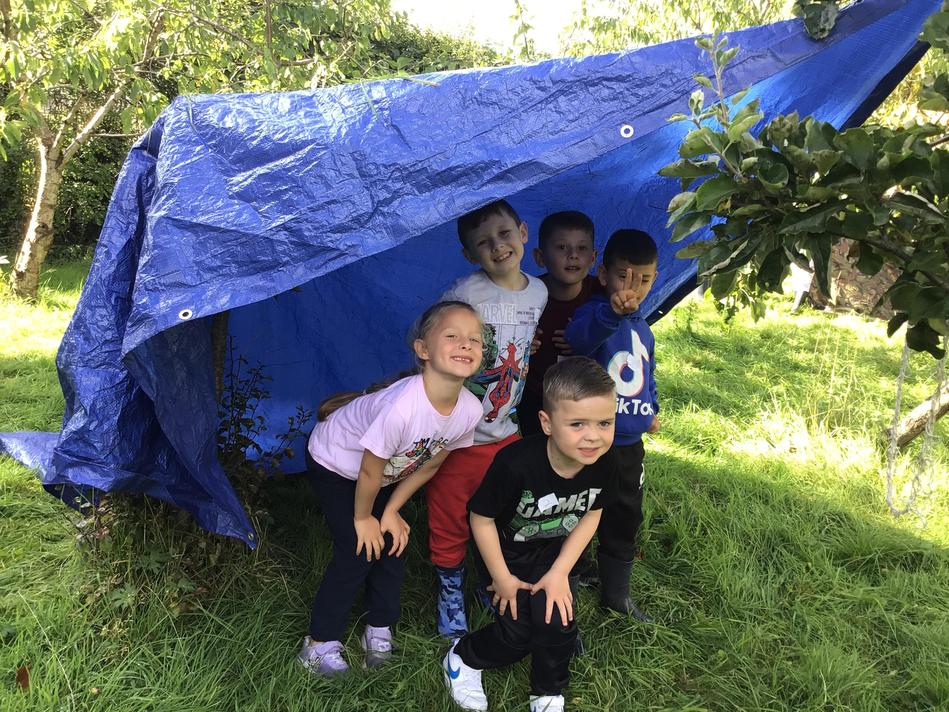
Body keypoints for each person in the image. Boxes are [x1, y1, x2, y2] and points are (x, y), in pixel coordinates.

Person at [298, 301, 484, 676]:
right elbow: (368, 472)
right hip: (336, 463)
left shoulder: (469, 410)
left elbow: (430, 464)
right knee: (357, 550)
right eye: (452, 336)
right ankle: (318, 645)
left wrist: (391, 511)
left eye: (475, 339)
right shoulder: (402, 407)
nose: (466, 344)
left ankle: (378, 629)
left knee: (392, 544)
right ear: (423, 349)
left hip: (383, 474)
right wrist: (363, 517)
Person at [443, 357, 618, 712]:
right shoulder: (515, 464)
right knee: (517, 635)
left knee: (558, 622)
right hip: (506, 552)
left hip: (554, 553)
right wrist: (501, 578)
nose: (594, 436)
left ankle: (548, 691)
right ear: (547, 422)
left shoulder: (605, 462)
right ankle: (463, 658)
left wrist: (560, 572)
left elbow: (592, 512)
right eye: (577, 424)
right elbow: (481, 519)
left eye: (605, 422)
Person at [426, 199, 548, 638]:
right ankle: (449, 590)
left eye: (504, 234)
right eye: (483, 242)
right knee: (449, 515)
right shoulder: (465, 292)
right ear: (469, 253)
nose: (498, 246)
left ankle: (493, 579)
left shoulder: (539, 292)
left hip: (506, 432)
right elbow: (428, 338)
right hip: (460, 436)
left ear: (523, 232)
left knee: (502, 512)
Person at [564, 229, 660, 621]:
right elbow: (579, 340)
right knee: (576, 513)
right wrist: (611, 314)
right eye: (623, 276)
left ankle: (616, 595)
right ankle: (565, 596)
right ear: (603, 275)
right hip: (589, 442)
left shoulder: (644, 328)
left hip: (629, 445)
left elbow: (648, 375)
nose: (632, 288)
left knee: (624, 514)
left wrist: (651, 408)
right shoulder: (594, 313)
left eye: (645, 279)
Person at [519, 210, 600, 436]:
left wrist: (584, 338)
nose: (573, 256)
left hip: (587, 396)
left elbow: (621, 336)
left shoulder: (601, 295)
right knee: (538, 453)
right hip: (537, 397)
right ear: (540, 257)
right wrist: (523, 340)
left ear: (593, 258)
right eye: (562, 247)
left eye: (581, 248)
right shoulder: (526, 295)